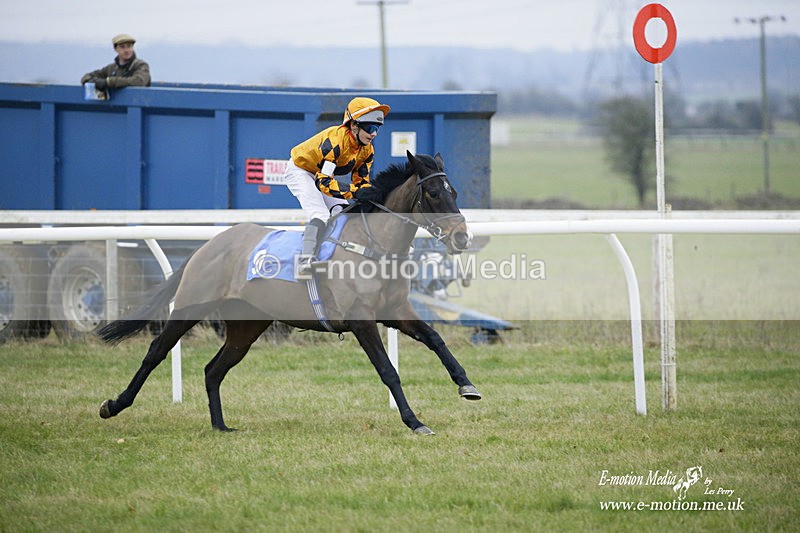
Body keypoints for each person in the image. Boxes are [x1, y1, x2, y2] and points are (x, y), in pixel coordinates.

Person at [285, 96, 390, 276]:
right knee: (320, 214)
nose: (374, 134)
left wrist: (369, 195)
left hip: (321, 175)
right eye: (370, 128)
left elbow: (361, 183)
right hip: (300, 171)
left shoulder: (368, 150)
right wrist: (356, 192)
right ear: (354, 126)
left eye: (377, 129)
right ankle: (305, 261)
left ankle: (333, 255)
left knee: (341, 211)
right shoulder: (335, 142)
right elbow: (324, 183)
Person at [80, 34, 151, 91]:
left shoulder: (141, 65)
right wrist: (93, 81)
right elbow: (86, 77)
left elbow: (139, 81)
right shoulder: (111, 68)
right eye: (122, 47)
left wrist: (108, 82)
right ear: (115, 49)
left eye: (129, 46)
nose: (126, 50)